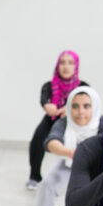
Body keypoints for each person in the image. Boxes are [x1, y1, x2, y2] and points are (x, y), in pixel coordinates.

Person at [27, 86, 102, 206]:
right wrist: (69, 152)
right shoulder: (64, 123)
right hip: (71, 164)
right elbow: (51, 142)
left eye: (86, 106)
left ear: (94, 107)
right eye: (75, 106)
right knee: (47, 185)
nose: (80, 111)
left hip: (99, 169)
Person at [27, 50, 88, 190]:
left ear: (76, 66)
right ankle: (34, 177)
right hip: (53, 119)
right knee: (37, 140)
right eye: (62, 62)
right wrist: (48, 106)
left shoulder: (82, 86)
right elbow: (44, 100)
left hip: (76, 122)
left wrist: (70, 108)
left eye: (70, 63)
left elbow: (89, 103)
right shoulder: (49, 85)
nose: (66, 66)